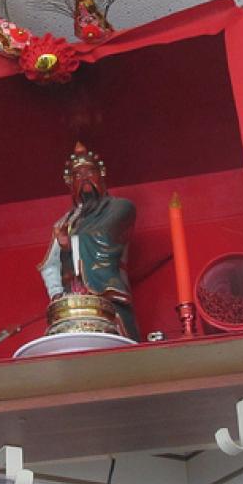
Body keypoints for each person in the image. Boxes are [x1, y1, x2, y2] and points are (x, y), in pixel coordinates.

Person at [38, 141, 140, 340]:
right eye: (77, 175)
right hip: (73, 306)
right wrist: (57, 294)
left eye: (89, 172)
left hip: (107, 299)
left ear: (100, 175)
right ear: (71, 184)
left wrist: (71, 244)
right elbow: (50, 265)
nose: (84, 178)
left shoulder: (121, 207)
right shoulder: (65, 222)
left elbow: (104, 236)